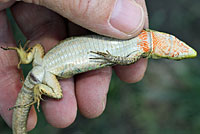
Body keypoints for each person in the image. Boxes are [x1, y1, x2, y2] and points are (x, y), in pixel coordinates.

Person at [0, 0, 148, 131]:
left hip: (43, 62)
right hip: (47, 73)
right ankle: (39, 87)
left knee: (59, 97)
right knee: (58, 95)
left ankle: (27, 62)